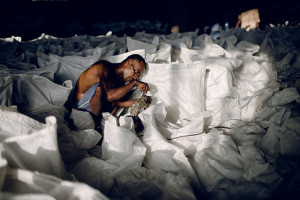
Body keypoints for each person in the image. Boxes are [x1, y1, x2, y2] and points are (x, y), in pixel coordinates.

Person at [72, 54, 150, 126]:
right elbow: (110, 96)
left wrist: (142, 100)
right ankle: (95, 126)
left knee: (118, 100)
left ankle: (100, 125)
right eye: (135, 72)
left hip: (94, 109)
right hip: (79, 109)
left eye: (138, 75)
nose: (135, 77)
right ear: (129, 62)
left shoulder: (119, 80)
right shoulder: (103, 67)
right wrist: (134, 83)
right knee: (100, 89)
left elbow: (116, 102)